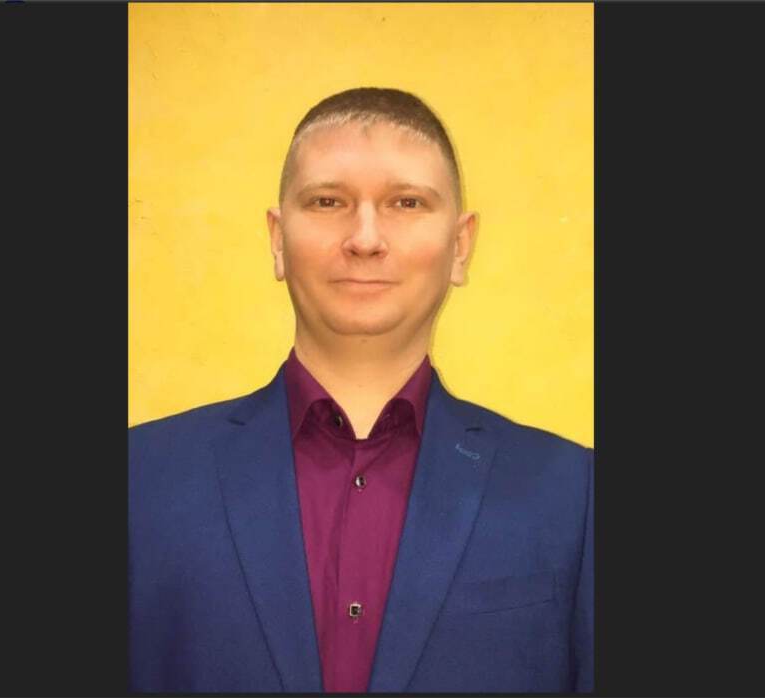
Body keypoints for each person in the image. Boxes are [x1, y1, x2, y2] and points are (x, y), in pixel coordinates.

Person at [128, 87, 593, 693]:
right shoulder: (141, 479)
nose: (365, 238)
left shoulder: (575, 496)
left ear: (460, 246)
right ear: (277, 239)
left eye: (406, 202)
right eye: (328, 201)